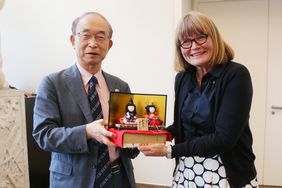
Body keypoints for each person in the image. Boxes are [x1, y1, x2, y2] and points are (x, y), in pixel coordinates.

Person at [138, 11, 258, 187]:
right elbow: (181, 128)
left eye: (200, 37)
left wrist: (168, 150)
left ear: (214, 38)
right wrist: (157, 135)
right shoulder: (183, 78)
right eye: (186, 41)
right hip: (186, 168)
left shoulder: (236, 75)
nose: (193, 46)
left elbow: (224, 139)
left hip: (225, 171)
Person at [33, 12, 138, 188]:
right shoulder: (52, 83)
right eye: (86, 35)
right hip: (73, 180)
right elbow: (44, 135)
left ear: (109, 45)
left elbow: (127, 133)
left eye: (100, 37)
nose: (93, 43)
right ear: (73, 41)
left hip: (118, 178)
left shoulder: (120, 86)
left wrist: (140, 139)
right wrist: (87, 132)